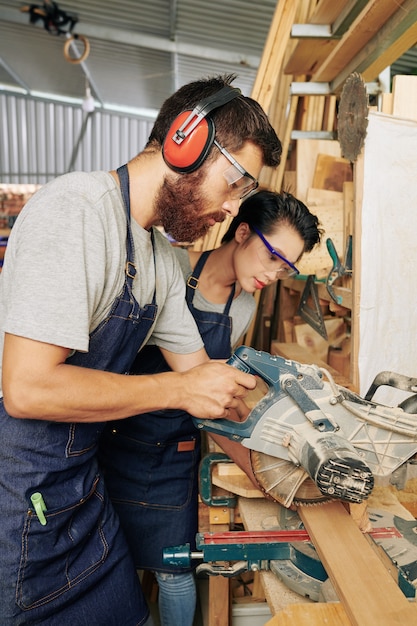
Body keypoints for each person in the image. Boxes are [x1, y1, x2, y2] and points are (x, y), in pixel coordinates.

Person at [0, 74, 282, 625]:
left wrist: (284, 468)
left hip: (85, 492)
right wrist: (178, 389)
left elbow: (204, 380)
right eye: (234, 183)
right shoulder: (77, 211)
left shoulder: (156, 256)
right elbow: (27, 388)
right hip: (23, 502)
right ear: (185, 140)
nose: (230, 209)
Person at [98, 189, 323, 626]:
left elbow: (214, 396)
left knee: (176, 569)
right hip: (120, 436)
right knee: (111, 561)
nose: (275, 273)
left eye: (286, 266)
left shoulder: (242, 303)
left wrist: (270, 466)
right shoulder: (175, 270)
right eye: (273, 255)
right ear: (242, 232)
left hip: (175, 450)